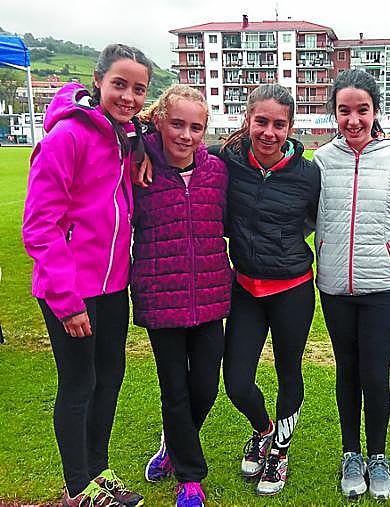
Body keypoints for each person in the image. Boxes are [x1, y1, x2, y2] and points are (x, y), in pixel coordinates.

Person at [22, 44, 152, 507]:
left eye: (139, 89)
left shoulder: (126, 137)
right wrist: (67, 299)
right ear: (97, 82)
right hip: (71, 289)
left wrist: (142, 152)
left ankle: (98, 472)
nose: (129, 97)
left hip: (113, 284)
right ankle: (77, 488)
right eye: (119, 84)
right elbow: (39, 225)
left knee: (109, 379)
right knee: (79, 385)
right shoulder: (68, 136)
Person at [313, 69, 390, 500]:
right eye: (344, 111)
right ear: (334, 114)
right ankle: (350, 454)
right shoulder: (322, 160)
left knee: (375, 374)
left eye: (362, 109)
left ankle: (377, 456)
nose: (354, 119)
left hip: (382, 287)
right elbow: (302, 215)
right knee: (347, 371)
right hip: (334, 287)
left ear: (376, 110)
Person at [215, 84, 320, 496]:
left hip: (292, 289)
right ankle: (263, 430)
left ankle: (280, 452)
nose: (269, 132)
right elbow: (180, 150)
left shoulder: (308, 174)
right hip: (245, 288)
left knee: (287, 371)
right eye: (261, 121)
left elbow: (321, 220)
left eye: (279, 124)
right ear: (248, 120)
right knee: (236, 381)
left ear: (290, 127)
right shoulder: (228, 159)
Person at [131, 85, 231, 507]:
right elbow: (102, 113)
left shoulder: (217, 171)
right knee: (174, 390)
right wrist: (139, 144)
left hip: (209, 297)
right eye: (176, 124)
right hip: (161, 299)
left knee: (205, 387)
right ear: (158, 122)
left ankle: (174, 444)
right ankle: (190, 478)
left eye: (196, 127)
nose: (186, 135)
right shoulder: (137, 167)